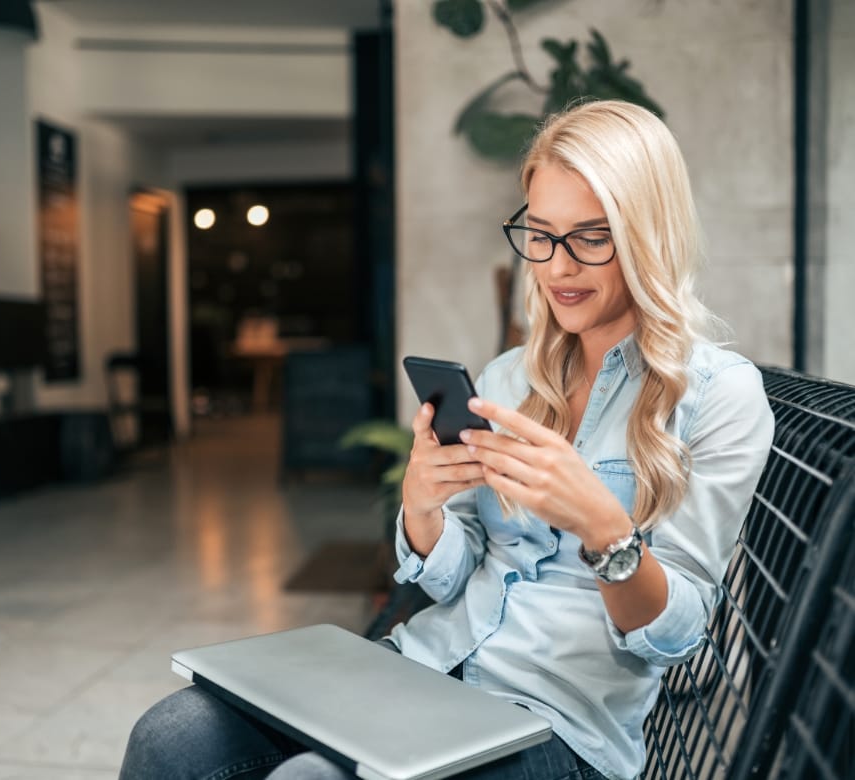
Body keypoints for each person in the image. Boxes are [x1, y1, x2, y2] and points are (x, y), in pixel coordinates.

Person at [119, 99, 774, 780]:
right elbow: (456, 573)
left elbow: (677, 638)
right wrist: (424, 508)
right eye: (540, 234)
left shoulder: (719, 395)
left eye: (591, 236)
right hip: (427, 668)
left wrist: (604, 528)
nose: (557, 267)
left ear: (649, 232)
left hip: (558, 727)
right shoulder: (508, 377)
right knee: (172, 736)